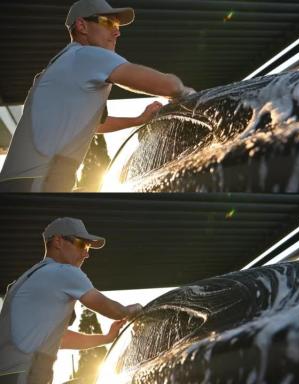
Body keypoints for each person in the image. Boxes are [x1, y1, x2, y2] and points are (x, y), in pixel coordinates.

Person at [0, 0, 197, 192]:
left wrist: (138, 120)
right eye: (108, 22)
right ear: (82, 26)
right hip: (37, 182)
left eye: (118, 25)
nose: (117, 31)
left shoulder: (61, 64)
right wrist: (190, 96)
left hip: (20, 181)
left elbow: (94, 125)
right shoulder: (86, 56)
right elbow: (170, 86)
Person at [0, 217, 144, 384]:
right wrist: (131, 310)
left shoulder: (27, 279)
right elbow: (109, 308)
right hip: (25, 377)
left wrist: (106, 338)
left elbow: (61, 339)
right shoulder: (63, 272)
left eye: (88, 247)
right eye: (81, 244)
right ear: (58, 242)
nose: (86, 253)